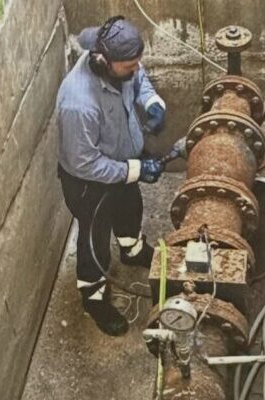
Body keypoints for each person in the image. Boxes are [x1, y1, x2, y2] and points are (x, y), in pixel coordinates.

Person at [56, 16, 167, 337]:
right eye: (129, 66)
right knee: (95, 238)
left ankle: (131, 250)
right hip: (88, 184)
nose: (137, 69)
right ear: (104, 61)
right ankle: (93, 297)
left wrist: (152, 102)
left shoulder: (120, 66)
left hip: (121, 161)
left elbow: (139, 78)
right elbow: (84, 163)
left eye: (136, 63)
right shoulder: (78, 104)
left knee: (130, 207)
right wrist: (135, 170)